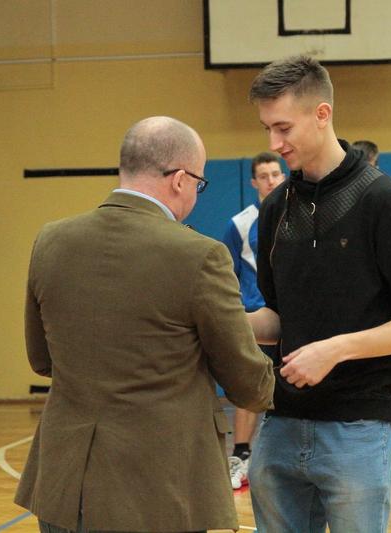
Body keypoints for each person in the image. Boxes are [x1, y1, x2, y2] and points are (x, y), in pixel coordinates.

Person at [14, 116, 275, 533]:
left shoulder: (51, 240)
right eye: (199, 183)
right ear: (180, 179)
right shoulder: (200, 255)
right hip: (159, 489)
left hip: (65, 484)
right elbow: (246, 382)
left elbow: (41, 359)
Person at [246, 55, 391, 532]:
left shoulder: (384, 199)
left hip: (358, 429)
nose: (274, 144)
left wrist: (336, 349)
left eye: (283, 128)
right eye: (267, 129)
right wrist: (223, 322)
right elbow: (279, 316)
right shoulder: (275, 208)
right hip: (279, 424)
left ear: (322, 114)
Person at [221, 151, 285, 489]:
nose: (271, 180)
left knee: (289, 388)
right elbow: (226, 274)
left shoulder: (298, 213)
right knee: (250, 390)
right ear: (253, 182)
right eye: (264, 176)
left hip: (291, 320)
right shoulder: (240, 224)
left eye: (276, 174)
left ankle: (283, 461)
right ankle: (241, 456)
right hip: (256, 320)